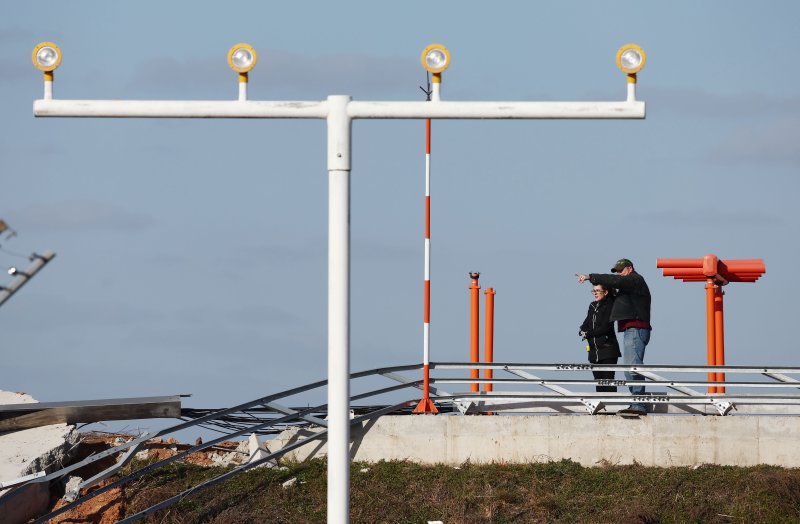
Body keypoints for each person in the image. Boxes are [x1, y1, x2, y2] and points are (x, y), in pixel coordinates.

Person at [576, 258, 652, 416]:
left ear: (630, 268)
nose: (619, 273)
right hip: (630, 329)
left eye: (621, 270)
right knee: (629, 369)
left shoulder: (635, 280)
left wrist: (591, 277)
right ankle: (636, 403)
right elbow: (613, 286)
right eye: (617, 271)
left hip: (636, 328)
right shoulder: (627, 286)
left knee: (633, 367)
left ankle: (639, 404)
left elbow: (615, 281)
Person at [579, 283, 620, 393]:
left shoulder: (610, 305)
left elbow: (605, 327)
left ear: (605, 292)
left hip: (608, 349)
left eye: (597, 290)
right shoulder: (592, 305)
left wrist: (588, 333)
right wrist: (582, 330)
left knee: (608, 381)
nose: (595, 293)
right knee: (598, 381)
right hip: (593, 350)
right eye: (594, 291)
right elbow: (586, 322)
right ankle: (603, 409)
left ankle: (611, 408)